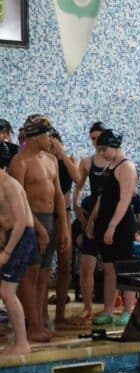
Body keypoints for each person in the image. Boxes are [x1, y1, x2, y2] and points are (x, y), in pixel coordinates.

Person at [9, 115, 70, 342]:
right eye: (48, 135)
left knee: (44, 273)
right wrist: (39, 229)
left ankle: (41, 321)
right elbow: (20, 201)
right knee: (30, 274)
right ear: (36, 137)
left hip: (50, 221)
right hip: (28, 221)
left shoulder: (51, 160)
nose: (51, 139)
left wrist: (62, 227)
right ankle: (33, 326)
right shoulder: (19, 163)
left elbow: (59, 197)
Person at [86, 129, 138, 326]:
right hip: (106, 221)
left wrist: (112, 227)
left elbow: (124, 201)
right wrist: (93, 220)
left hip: (121, 224)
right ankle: (108, 310)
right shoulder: (110, 164)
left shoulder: (127, 167)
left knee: (124, 269)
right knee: (108, 268)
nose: (100, 153)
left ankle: (128, 309)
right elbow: (103, 197)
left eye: (103, 148)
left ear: (114, 146)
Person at [0, 143, 38, 357]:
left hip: (22, 239)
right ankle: (16, 339)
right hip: (12, 239)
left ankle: (22, 343)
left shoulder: (9, 185)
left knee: (7, 291)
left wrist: (7, 252)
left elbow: (22, 221)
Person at [73, 121, 108, 324]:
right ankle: (87, 307)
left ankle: (112, 308)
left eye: (99, 138)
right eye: (93, 139)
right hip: (91, 217)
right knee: (87, 265)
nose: (96, 142)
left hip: (108, 215)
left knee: (112, 267)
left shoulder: (115, 161)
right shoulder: (87, 162)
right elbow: (78, 188)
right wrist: (77, 208)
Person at [48, 129, 80, 326]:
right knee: (41, 267)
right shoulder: (41, 162)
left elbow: (78, 179)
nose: (52, 149)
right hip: (45, 214)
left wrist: (63, 156)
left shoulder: (68, 161)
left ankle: (60, 314)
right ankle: (39, 315)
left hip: (65, 215)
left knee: (65, 265)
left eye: (55, 145)